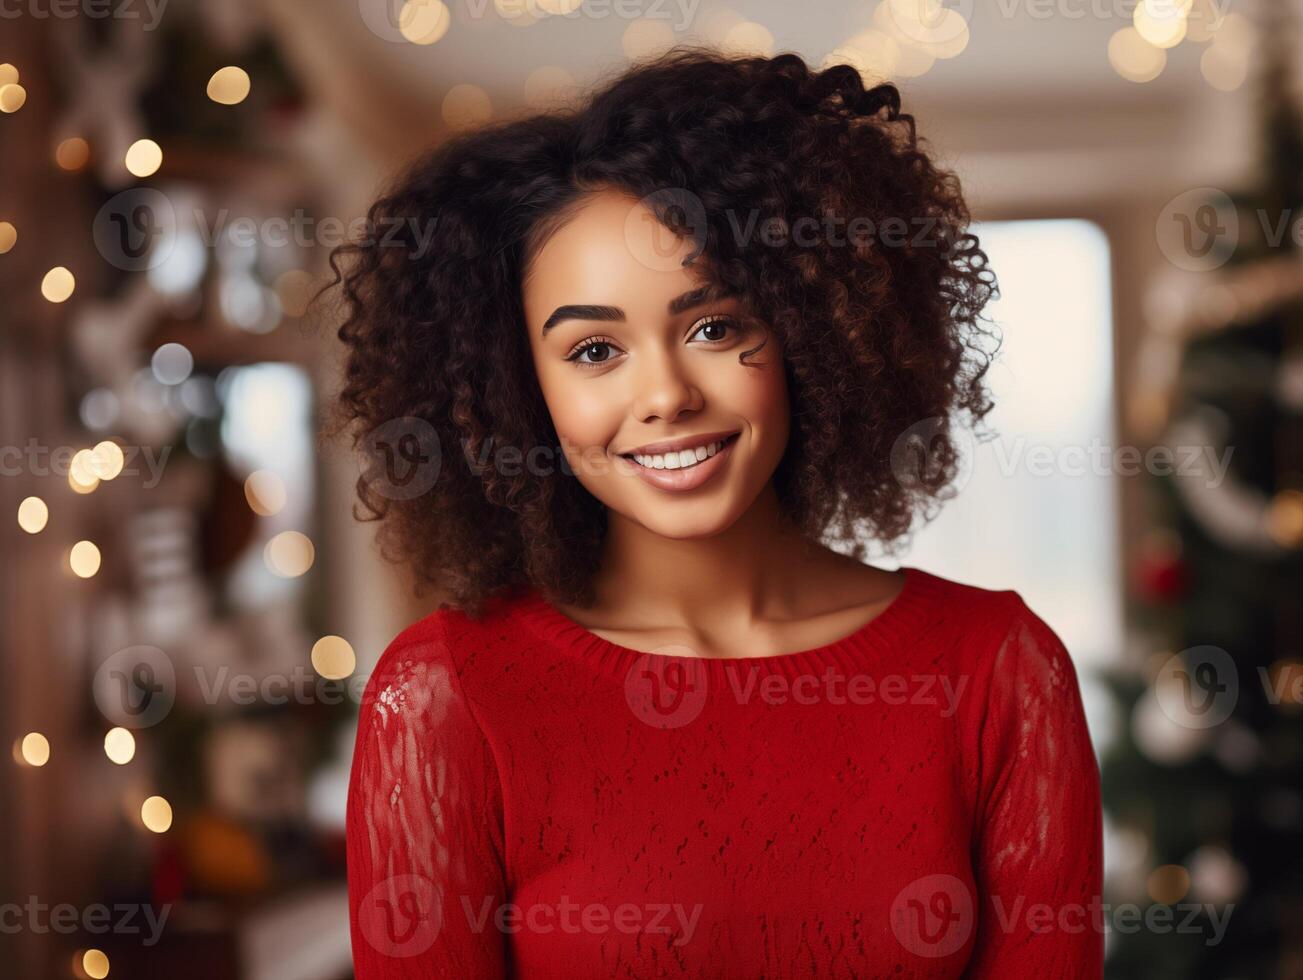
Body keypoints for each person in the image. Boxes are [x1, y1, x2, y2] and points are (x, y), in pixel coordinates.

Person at [330, 47, 1103, 978]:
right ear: (513, 386)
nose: (665, 395)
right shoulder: (445, 695)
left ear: (813, 333)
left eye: (714, 328)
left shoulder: (1000, 674)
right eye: (592, 350)